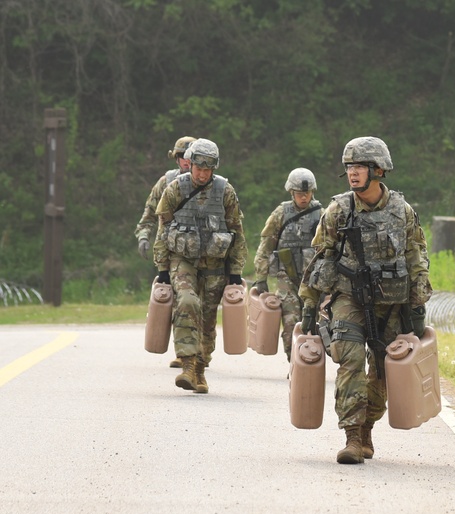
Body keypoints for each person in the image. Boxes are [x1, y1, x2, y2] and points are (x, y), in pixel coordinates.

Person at [299, 136, 432, 464]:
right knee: (351, 361)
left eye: (360, 167)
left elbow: (416, 258)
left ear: (379, 171)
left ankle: (368, 424)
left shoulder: (402, 211)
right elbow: (320, 259)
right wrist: (309, 307)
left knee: (384, 371)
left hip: (392, 304)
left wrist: (417, 309)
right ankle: (353, 436)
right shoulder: (338, 210)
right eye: (349, 167)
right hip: (350, 299)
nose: (353, 173)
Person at [152, 138, 248, 394]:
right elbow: (162, 231)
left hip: (215, 264)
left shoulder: (225, 191)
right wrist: (162, 268)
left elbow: (237, 231)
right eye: (198, 168)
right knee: (186, 302)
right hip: (182, 260)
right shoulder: (174, 189)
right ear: (191, 164)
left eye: (208, 169)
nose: (203, 174)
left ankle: (200, 369)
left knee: (206, 318)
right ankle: (186, 365)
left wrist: (236, 272)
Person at [136, 135, 195, 369]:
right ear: (177, 159)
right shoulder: (167, 182)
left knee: (204, 308)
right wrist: (143, 236)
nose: (187, 162)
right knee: (183, 301)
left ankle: (201, 352)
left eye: (192, 158)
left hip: (206, 254)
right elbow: (150, 213)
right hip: (174, 253)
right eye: (183, 158)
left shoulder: (212, 185)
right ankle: (186, 354)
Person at [252, 168, 323, 360]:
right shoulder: (281, 213)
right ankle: (294, 361)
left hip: (312, 280)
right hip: (286, 277)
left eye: (307, 194)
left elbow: (330, 250)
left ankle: (308, 360)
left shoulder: (322, 215)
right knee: (291, 320)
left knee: (311, 322)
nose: (303, 198)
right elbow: (265, 246)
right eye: (300, 194)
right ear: (292, 193)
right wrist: (261, 278)